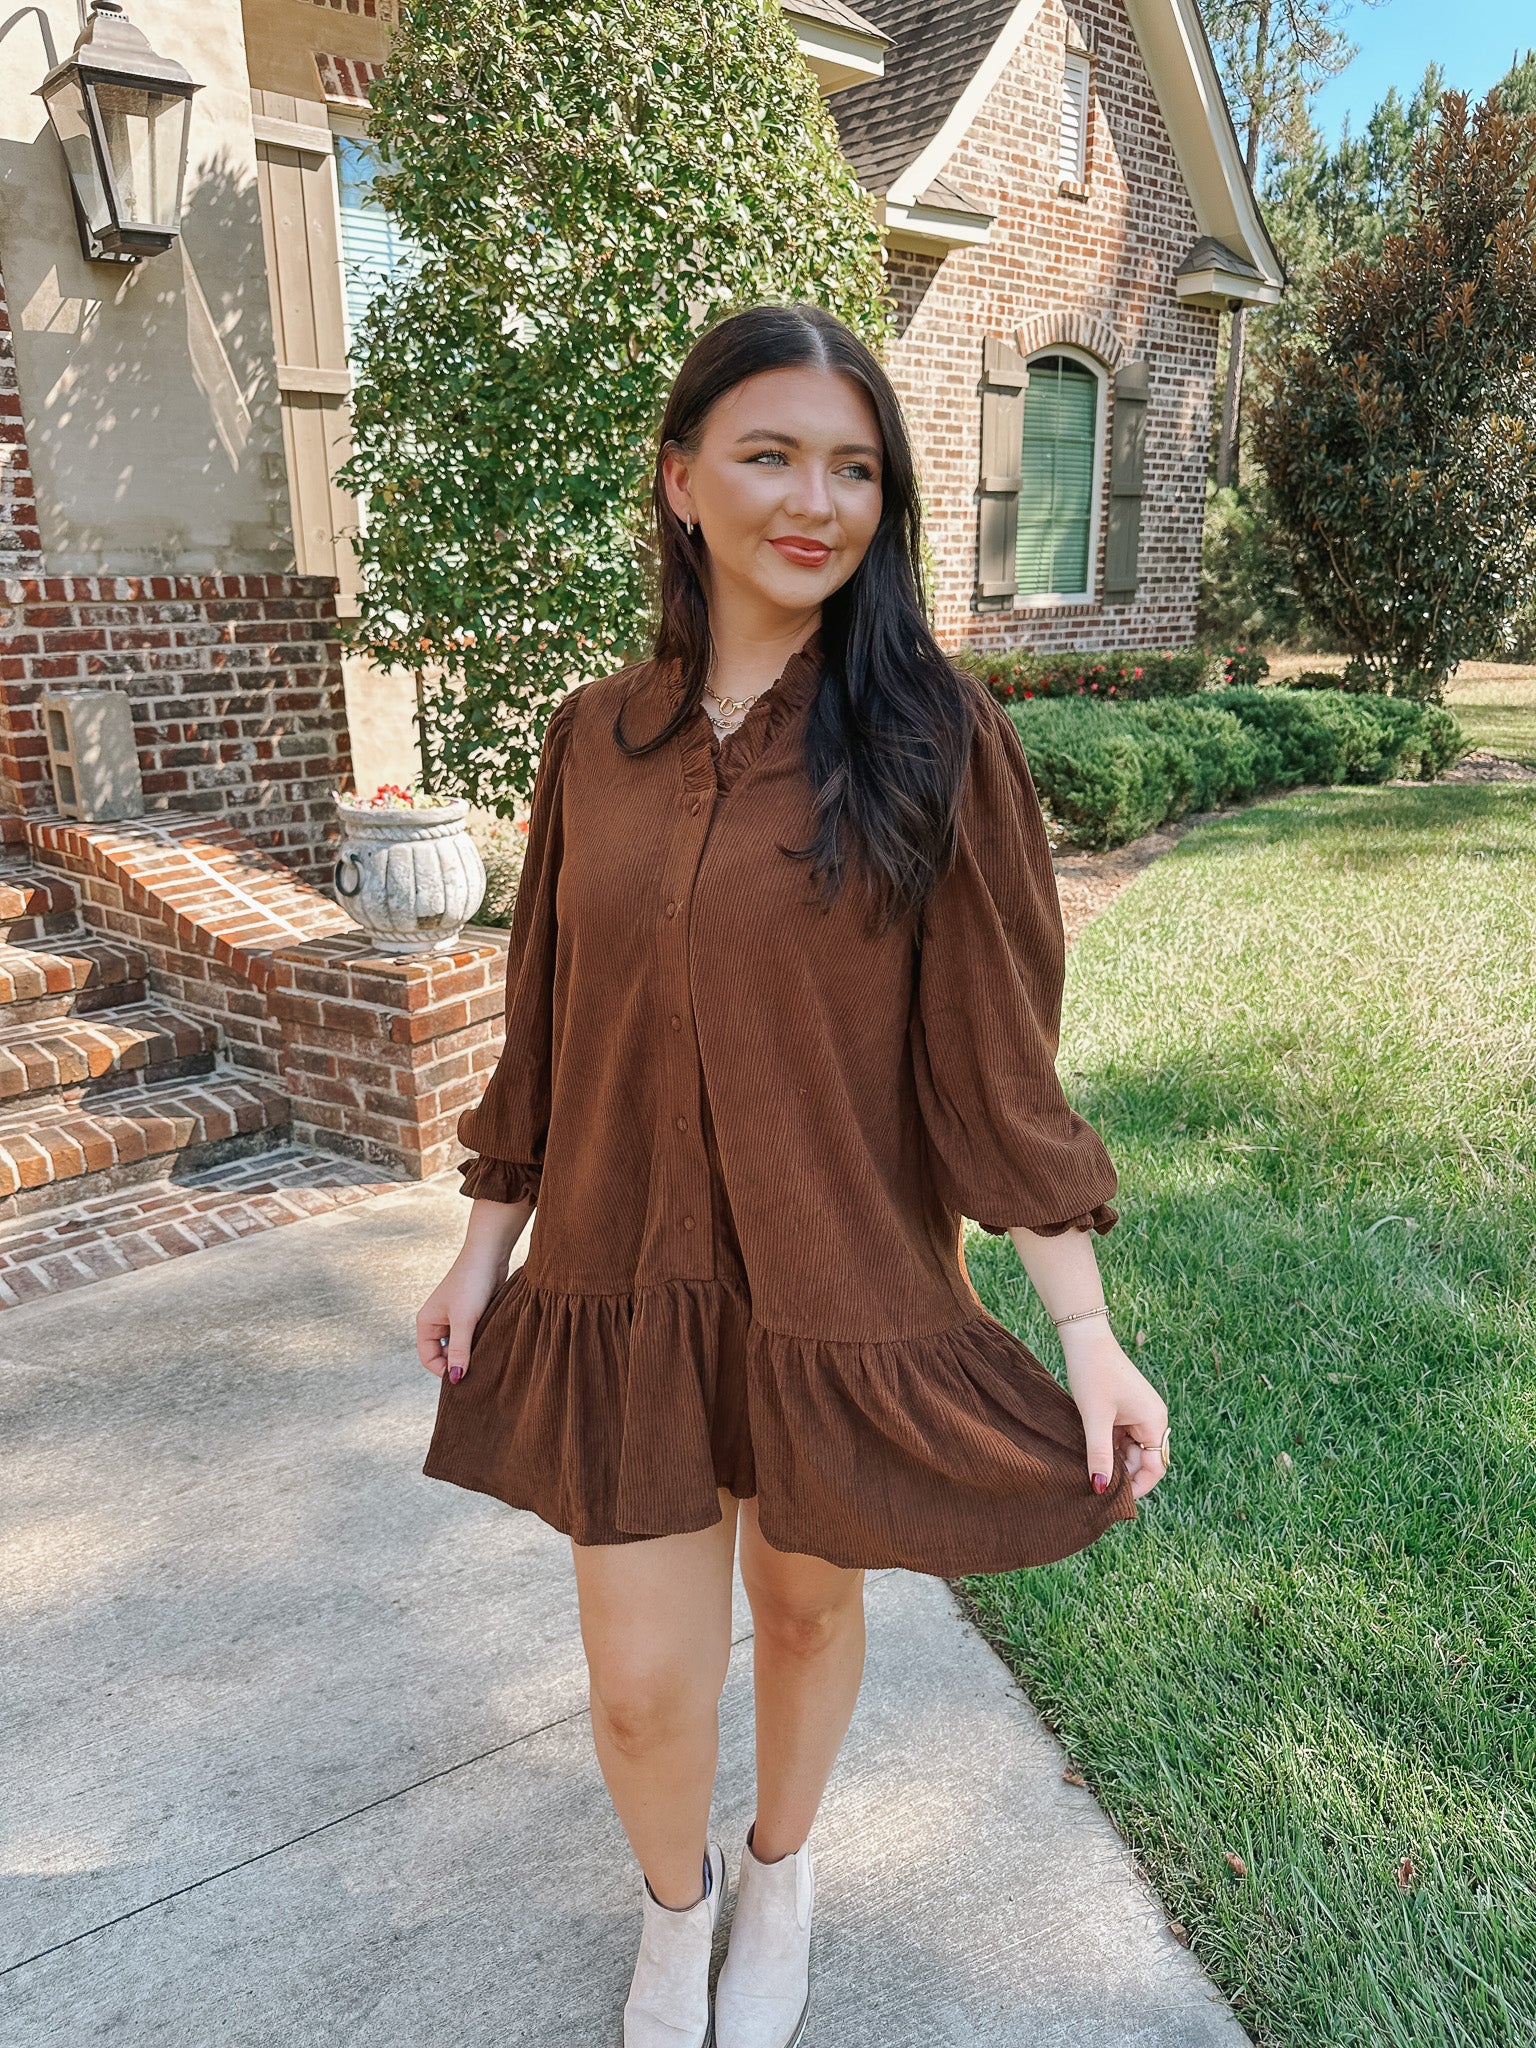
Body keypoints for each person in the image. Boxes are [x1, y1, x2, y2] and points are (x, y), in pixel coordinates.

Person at [416, 302, 1170, 2048]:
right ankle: (674, 1913)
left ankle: (783, 1869)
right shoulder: (589, 741)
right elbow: (549, 1019)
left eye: (852, 466)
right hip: (623, 1270)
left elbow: (994, 1064)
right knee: (639, 1687)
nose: (814, 500)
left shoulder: (933, 739)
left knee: (806, 1597)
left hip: (835, 1274)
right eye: (769, 455)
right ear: (682, 481)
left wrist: (1087, 1327)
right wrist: (482, 1248)